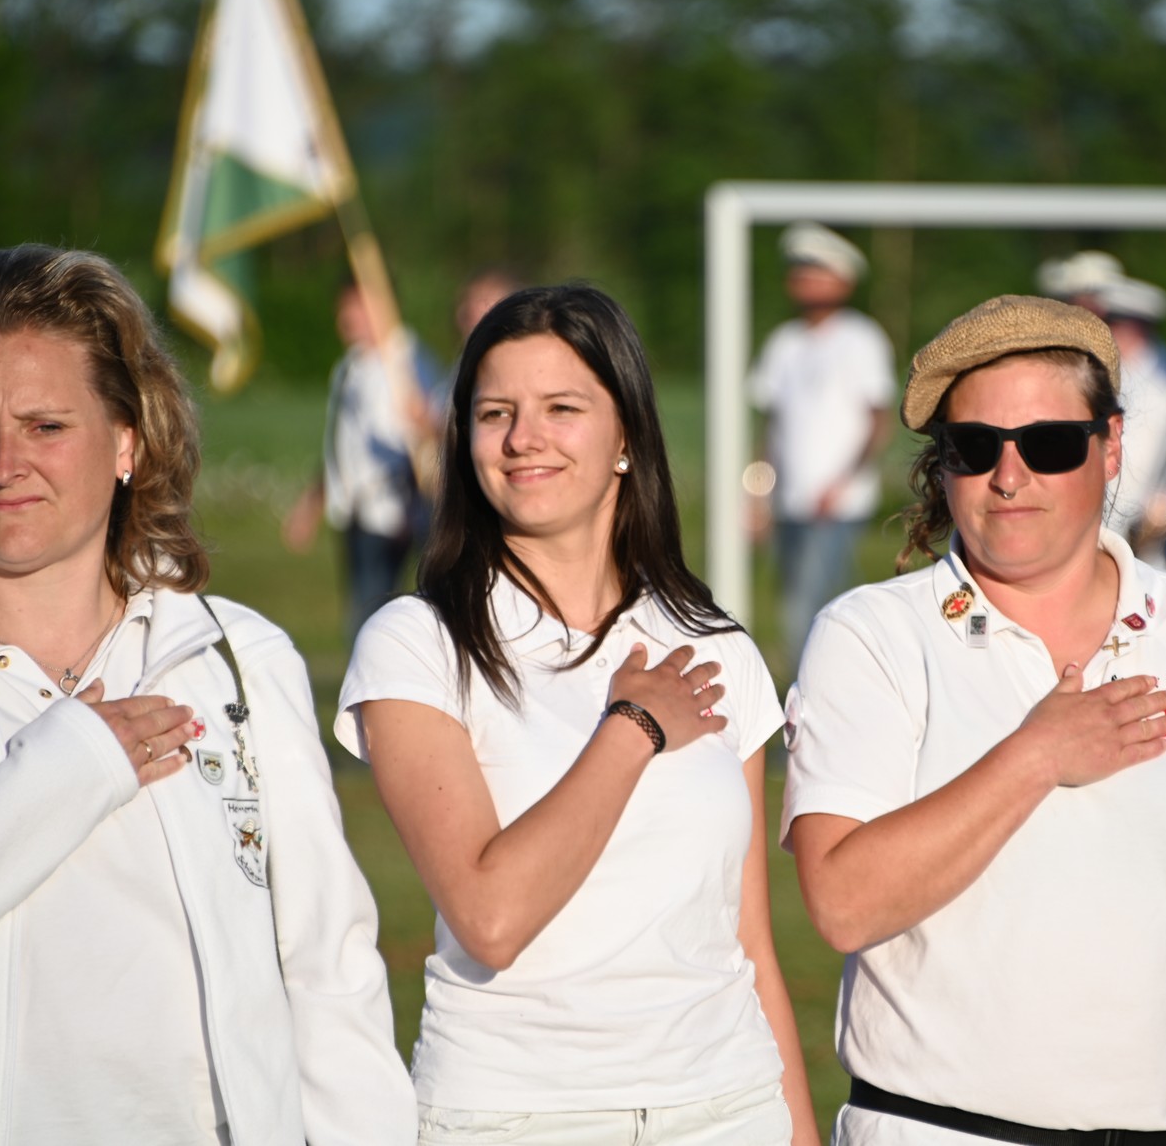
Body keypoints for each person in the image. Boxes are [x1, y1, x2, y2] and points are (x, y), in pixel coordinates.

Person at [782, 294, 1166, 1144]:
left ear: (1113, 446)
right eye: (975, 446)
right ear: (943, 466)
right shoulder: (872, 635)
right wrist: (1034, 756)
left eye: (1051, 443)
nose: (1009, 475)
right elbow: (844, 903)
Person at [0, 245, 414, 1145]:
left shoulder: (237, 658)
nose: (6, 464)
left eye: (46, 425)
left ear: (127, 441)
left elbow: (328, 972)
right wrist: (73, 764)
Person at [337, 285, 820, 1145]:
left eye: (562, 408)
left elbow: (748, 942)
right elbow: (491, 918)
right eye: (496, 413)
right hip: (516, 1118)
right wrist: (632, 728)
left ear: (625, 434)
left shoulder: (715, 646)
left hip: (730, 1108)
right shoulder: (416, 643)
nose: (524, 437)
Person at [748, 222, 896, 662]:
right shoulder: (784, 342)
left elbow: (878, 421)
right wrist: (756, 493)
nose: (805, 279)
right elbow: (771, 428)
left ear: (844, 281)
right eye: (800, 271)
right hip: (788, 501)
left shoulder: (862, 338)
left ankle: (811, 686)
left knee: (813, 606)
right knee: (797, 599)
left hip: (838, 504)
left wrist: (842, 483)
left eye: (818, 271)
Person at [284, 278, 444, 641]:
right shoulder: (351, 366)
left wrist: (426, 425)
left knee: (379, 616)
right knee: (363, 611)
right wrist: (313, 502)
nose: (347, 317)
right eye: (344, 307)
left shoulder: (410, 362)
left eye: (358, 307)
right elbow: (343, 446)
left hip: (395, 512)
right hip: (356, 511)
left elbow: (431, 436)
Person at [1098, 275, 1166, 555]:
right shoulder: (1099, 367)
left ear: (1138, 328)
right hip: (1100, 501)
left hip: (1148, 512)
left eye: (1117, 324)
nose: (1111, 331)